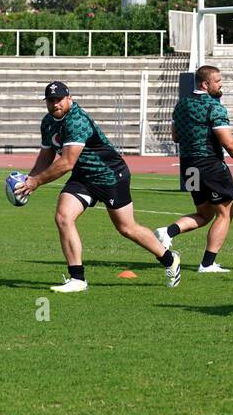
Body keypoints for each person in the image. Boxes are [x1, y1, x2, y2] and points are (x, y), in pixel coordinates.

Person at [13, 81, 180, 292]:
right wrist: (30, 179)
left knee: (126, 228)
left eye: (59, 99)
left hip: (110, 176)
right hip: (83, 177)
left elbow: (66, 163)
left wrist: (36, 182)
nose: (55, 104)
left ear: (69, 98)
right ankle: (77, 279)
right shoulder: (48, 122)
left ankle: (169, 259)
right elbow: (46, 155)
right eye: (50, 100)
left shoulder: (77, 121)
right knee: (63, 217)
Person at [154, 66, 233, 273]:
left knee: (205, 213)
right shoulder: (213, 106)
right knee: (225, 213)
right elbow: (228, 142)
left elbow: (175, 137)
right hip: (210, 164)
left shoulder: (181, 105)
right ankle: (207, 264)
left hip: (188, 166)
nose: (221, 84)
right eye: (217, 81)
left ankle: (168, 232)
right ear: (205, 84)